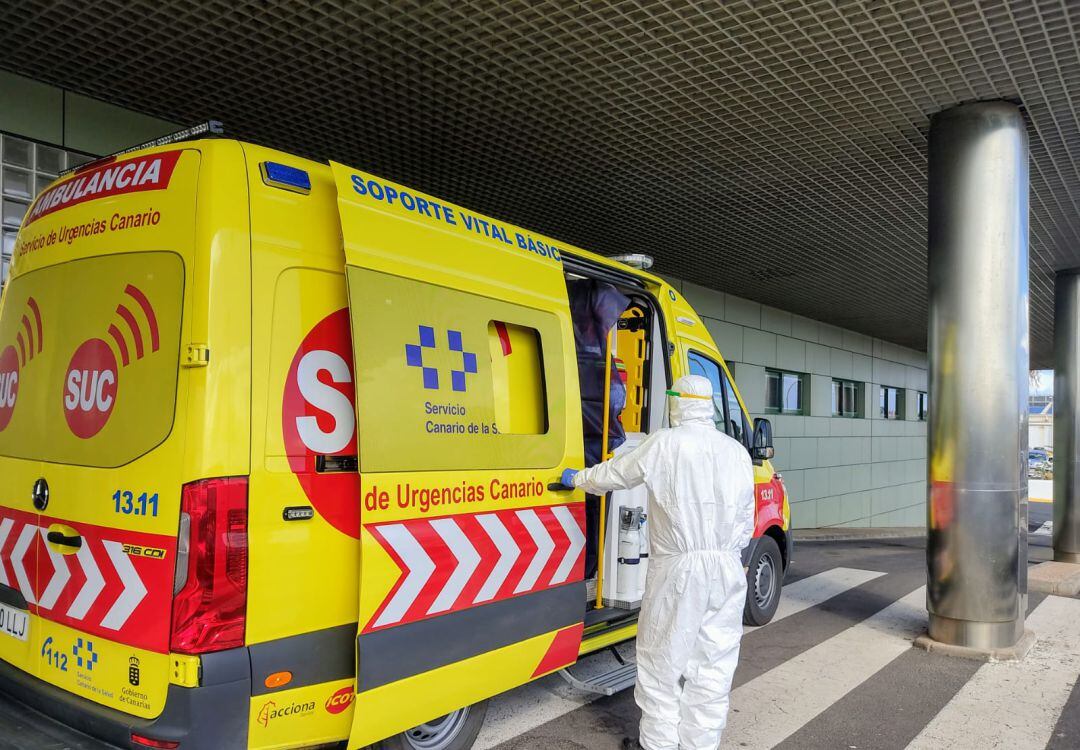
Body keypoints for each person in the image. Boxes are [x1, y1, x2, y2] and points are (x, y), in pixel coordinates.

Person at [560, 374, 756, 750]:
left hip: (679, 571)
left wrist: (578, 478)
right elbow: (745, 516)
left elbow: (616, 474)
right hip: (728, 568)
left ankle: (659, 745)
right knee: (713, 667)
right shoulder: (737, 452)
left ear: (678, 403)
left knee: (661, 665)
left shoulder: (665, 444)